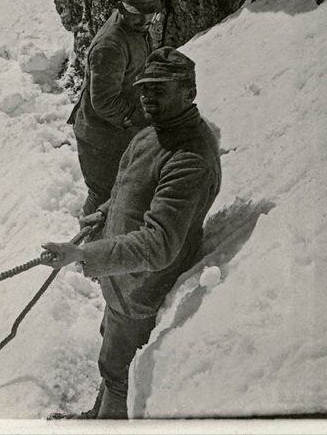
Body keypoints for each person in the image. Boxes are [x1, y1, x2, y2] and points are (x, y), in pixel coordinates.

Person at [44, 47, 222, 419]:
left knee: (119, 372)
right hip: (123, 280)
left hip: (141, 289)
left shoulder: (189, 157)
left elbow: (159, 244)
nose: (146, 96)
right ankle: (97, 417)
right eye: (144, 87)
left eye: (159, 88)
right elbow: (133, 188)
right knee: (110, 357)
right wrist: (105, 213)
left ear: (189, 91)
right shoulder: (156, 133)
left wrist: (82, 256)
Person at [69, 0, 163, 220]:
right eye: (137, 12)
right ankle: (86, 253)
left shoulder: (136, 25)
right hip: (100, 139)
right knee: (104, 197)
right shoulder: (111, 45)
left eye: (151, 13)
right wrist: (138, 119)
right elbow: (104, 101)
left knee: (125, 193)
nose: (145, 20)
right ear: (123, 7)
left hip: (117, 132)